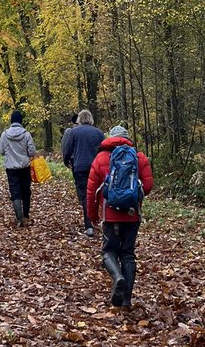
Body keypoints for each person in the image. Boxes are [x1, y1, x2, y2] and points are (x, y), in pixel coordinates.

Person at [86, 124, 154, 307]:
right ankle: (126, 299)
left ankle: (117, 277)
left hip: (110, 216)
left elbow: (91, 191)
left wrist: (92, 216)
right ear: (128, 139)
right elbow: (147, 186)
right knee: (128, 254)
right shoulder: (139, 158)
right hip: (132, 216)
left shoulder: (100, 158)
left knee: (109, 250)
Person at [62, 108, 103, 237]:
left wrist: (66, 160)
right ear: (91, 119)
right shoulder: (99, 133)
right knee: (97, 193)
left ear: (79, 119)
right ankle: (99, 220)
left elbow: (67, 149)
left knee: (85, 195)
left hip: (79, 167)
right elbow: (104, 150)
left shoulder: (74, 132)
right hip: (96, 168)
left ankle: (89, 225)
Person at [0, 109, 36, 227]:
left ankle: (19, 219)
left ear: (11, 121)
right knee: (26, 191)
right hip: (24, 167)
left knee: (15, 192)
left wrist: (9, 152)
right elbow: (32, 151)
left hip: (11, 168)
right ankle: (26, 215)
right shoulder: (26, 134)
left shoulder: (5, 134)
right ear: (21, 121)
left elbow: (1, 150)